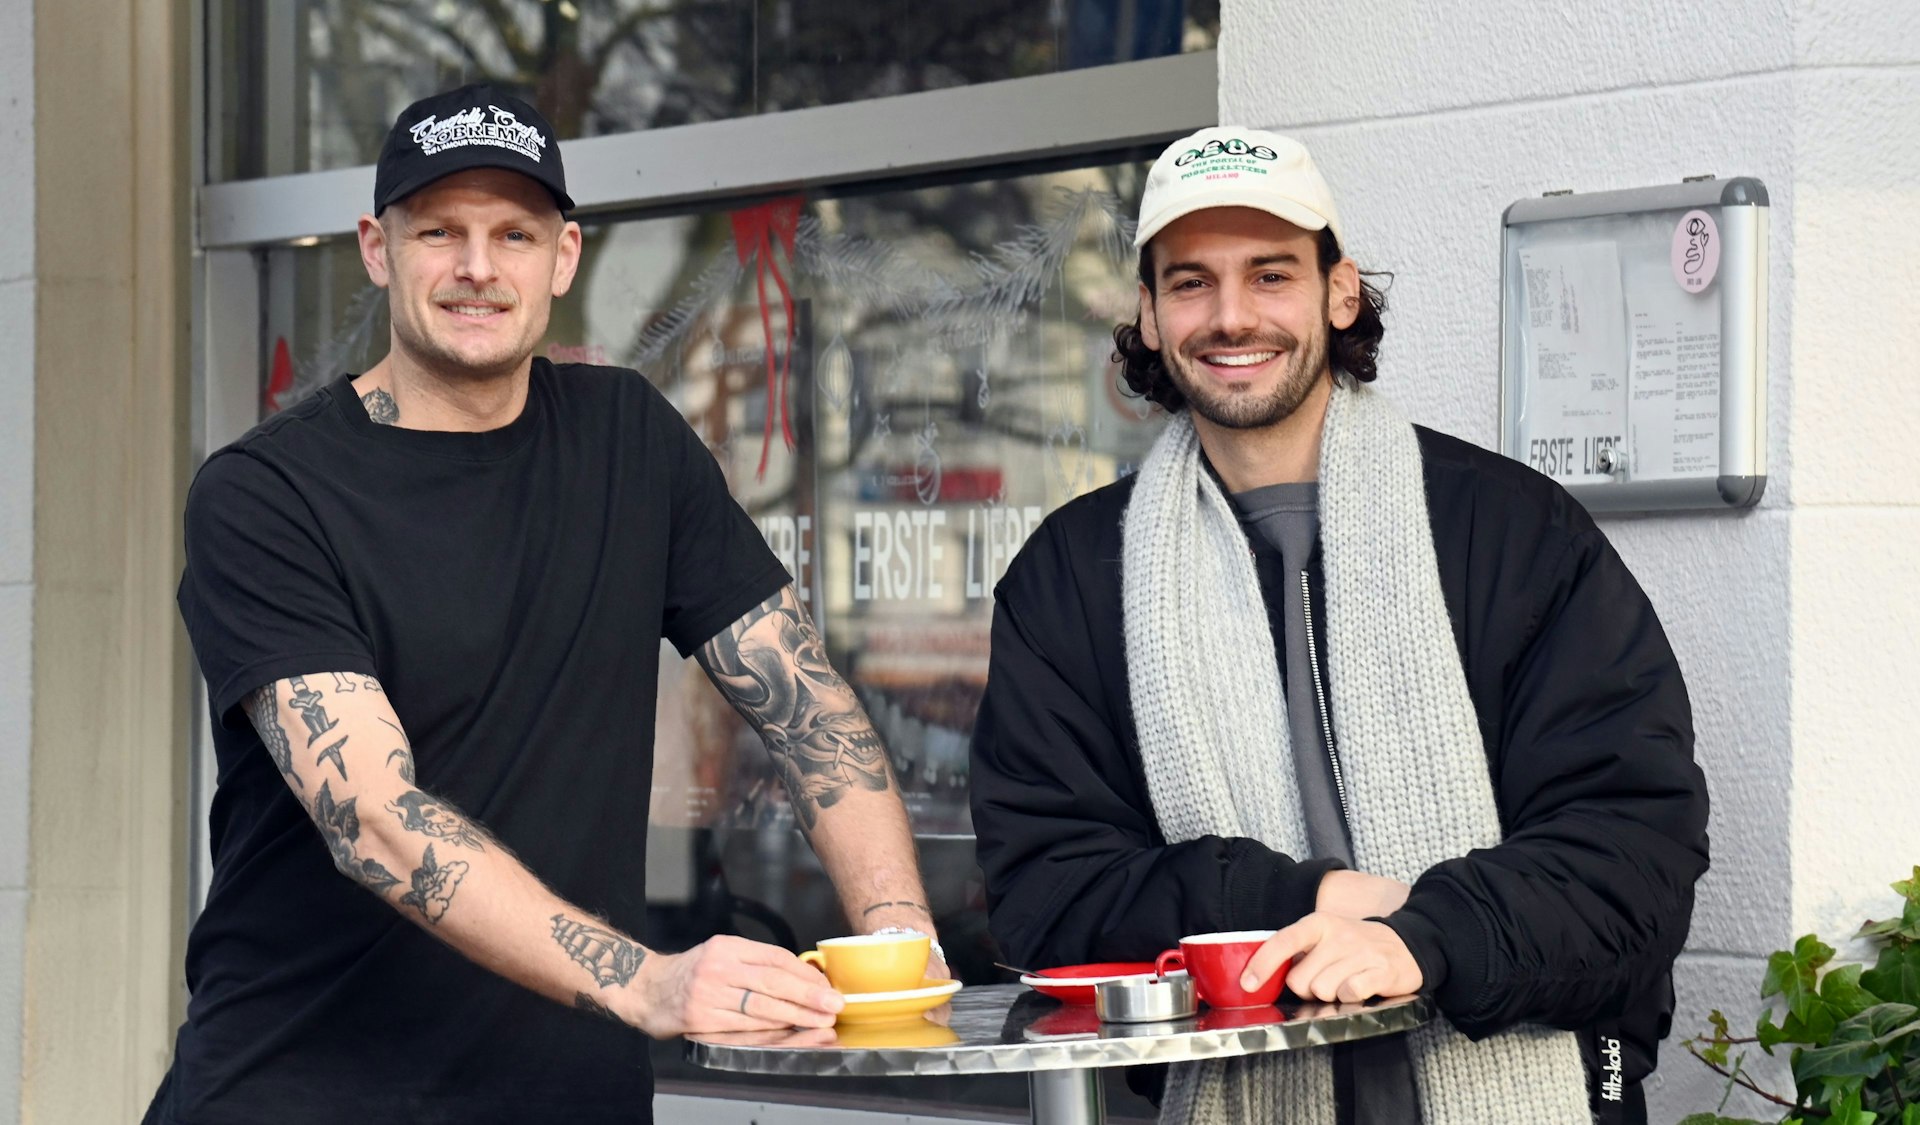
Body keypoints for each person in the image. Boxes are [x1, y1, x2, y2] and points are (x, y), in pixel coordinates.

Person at [148, 85, 940, 1125]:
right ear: (376, 248)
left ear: (562, 257)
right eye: (440, 231)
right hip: (301, 1090)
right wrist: (652, 982)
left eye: (512, 234)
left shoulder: (630, 442)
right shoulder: (266, 495)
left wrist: (901, 950)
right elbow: (376, 823)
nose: (478, 267)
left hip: (566, 1099)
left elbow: (808, 713)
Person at [969, 127, 1709, 1124]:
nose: (1229, 317)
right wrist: (1296, 904)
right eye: (1189, 283)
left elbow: (1634, 845)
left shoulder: (1511, 534)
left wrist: (1423, 933)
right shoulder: (1069, 580)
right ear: (1144, 315)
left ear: (1338, 291)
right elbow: (1048, 897)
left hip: (1546, 1084)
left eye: (1269, 275)